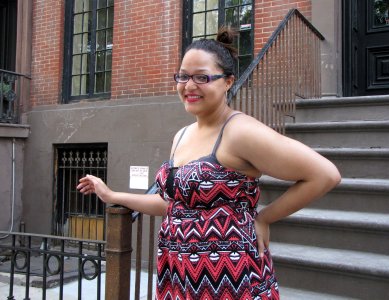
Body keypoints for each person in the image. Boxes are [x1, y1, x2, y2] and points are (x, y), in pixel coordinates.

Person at [77, 27, 341, 300]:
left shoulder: (239, 131)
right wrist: (111, 194)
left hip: (230, 278)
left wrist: (265, 217)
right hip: (177, 274)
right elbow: (171, 204)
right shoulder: (181, 135)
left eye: (202, 77)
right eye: (183, 76)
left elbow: (324, 175)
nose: (189, 86)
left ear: (227, 82)